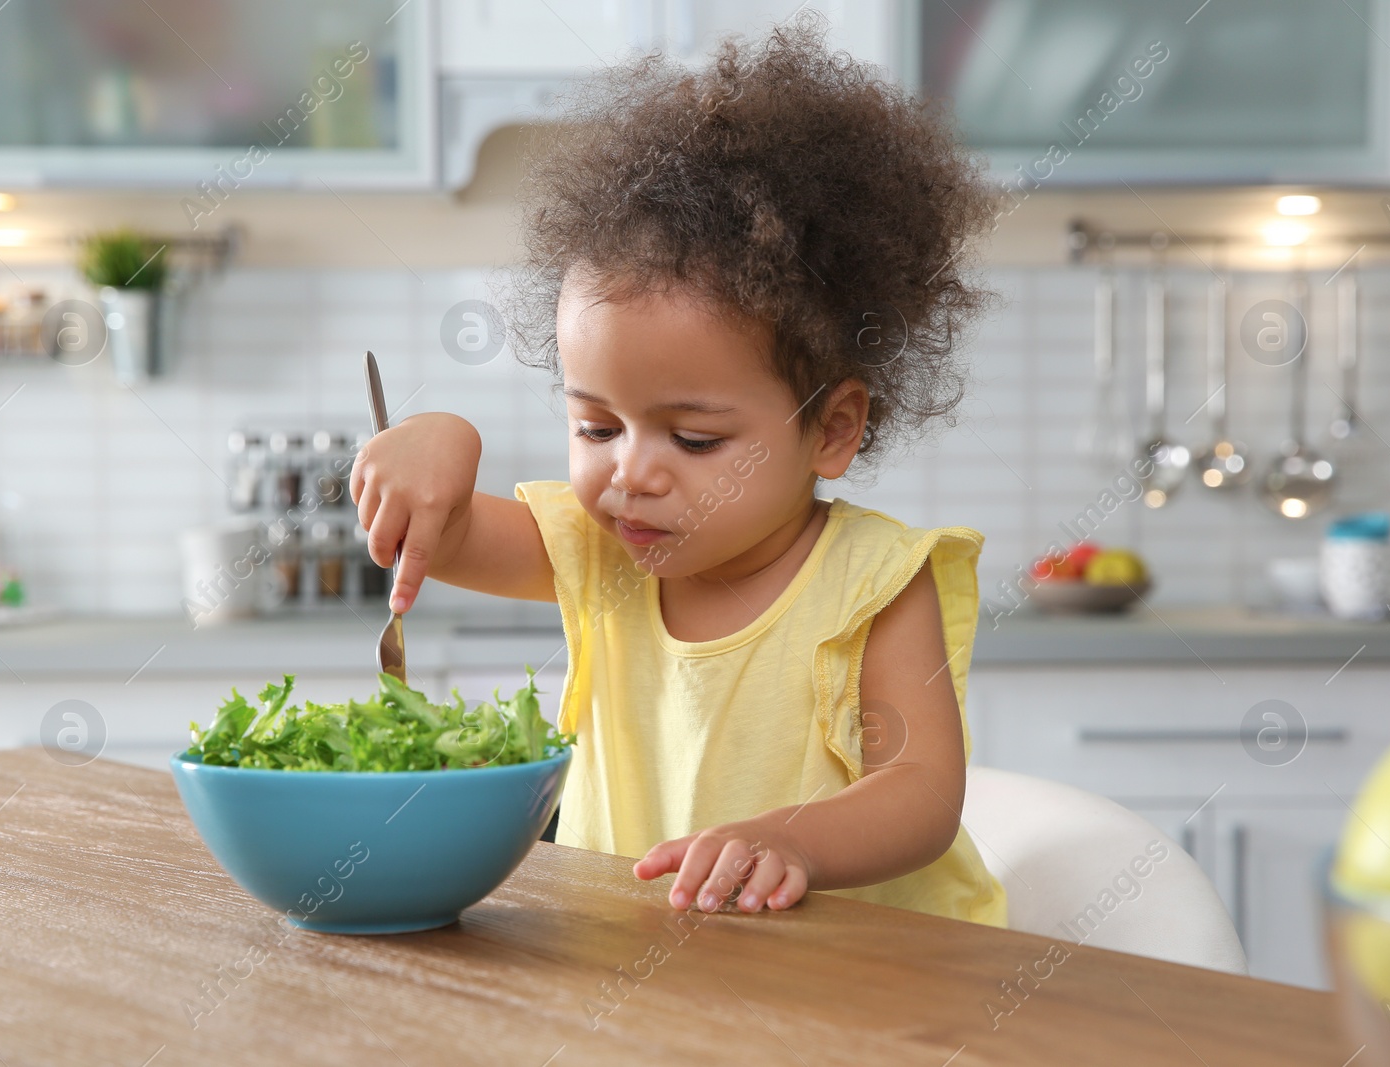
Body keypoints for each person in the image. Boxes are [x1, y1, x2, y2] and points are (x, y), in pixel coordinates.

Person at [351, 14, 1005, 925]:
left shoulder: (874, 584)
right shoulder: (601, 549)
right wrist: (437, 437)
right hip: (653, 985)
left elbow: (924, 791)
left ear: (833, 428)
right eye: (596, 425)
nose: (631, 475)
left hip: (869, 998)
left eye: (693, 440)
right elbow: (446, 531)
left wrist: (792, 841)